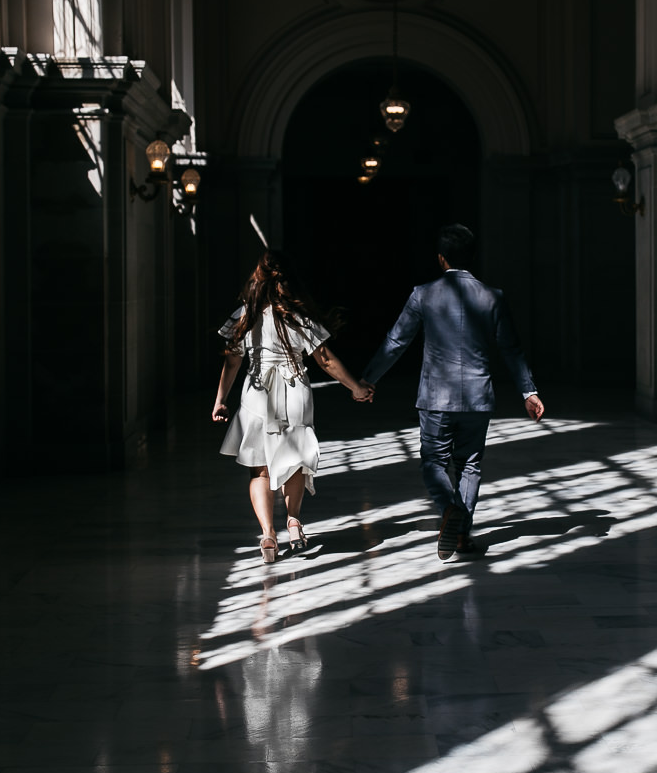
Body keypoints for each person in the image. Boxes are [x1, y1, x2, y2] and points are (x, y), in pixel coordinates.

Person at [359, 225, 543, 563]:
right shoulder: (493, 296)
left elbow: (397, 341)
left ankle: (448, 511)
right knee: (470, 464)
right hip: (477, 396)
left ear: (441, 259)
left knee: (433, 461)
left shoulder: (423, 294)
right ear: (473, 257)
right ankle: (461, 533)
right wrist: (528, 391)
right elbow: (511, 349)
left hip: (436, 397)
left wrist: (368, 379)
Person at [213, 251, 373, 562]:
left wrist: (220, 399)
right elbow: (326, 360)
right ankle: (294, 521)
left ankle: (268, 535)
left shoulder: (245, 315)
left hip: (257, 393)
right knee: (295, 460)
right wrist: (357, 388)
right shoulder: (298, 317)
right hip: (294, 390)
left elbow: (232, 361)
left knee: (259, 469)